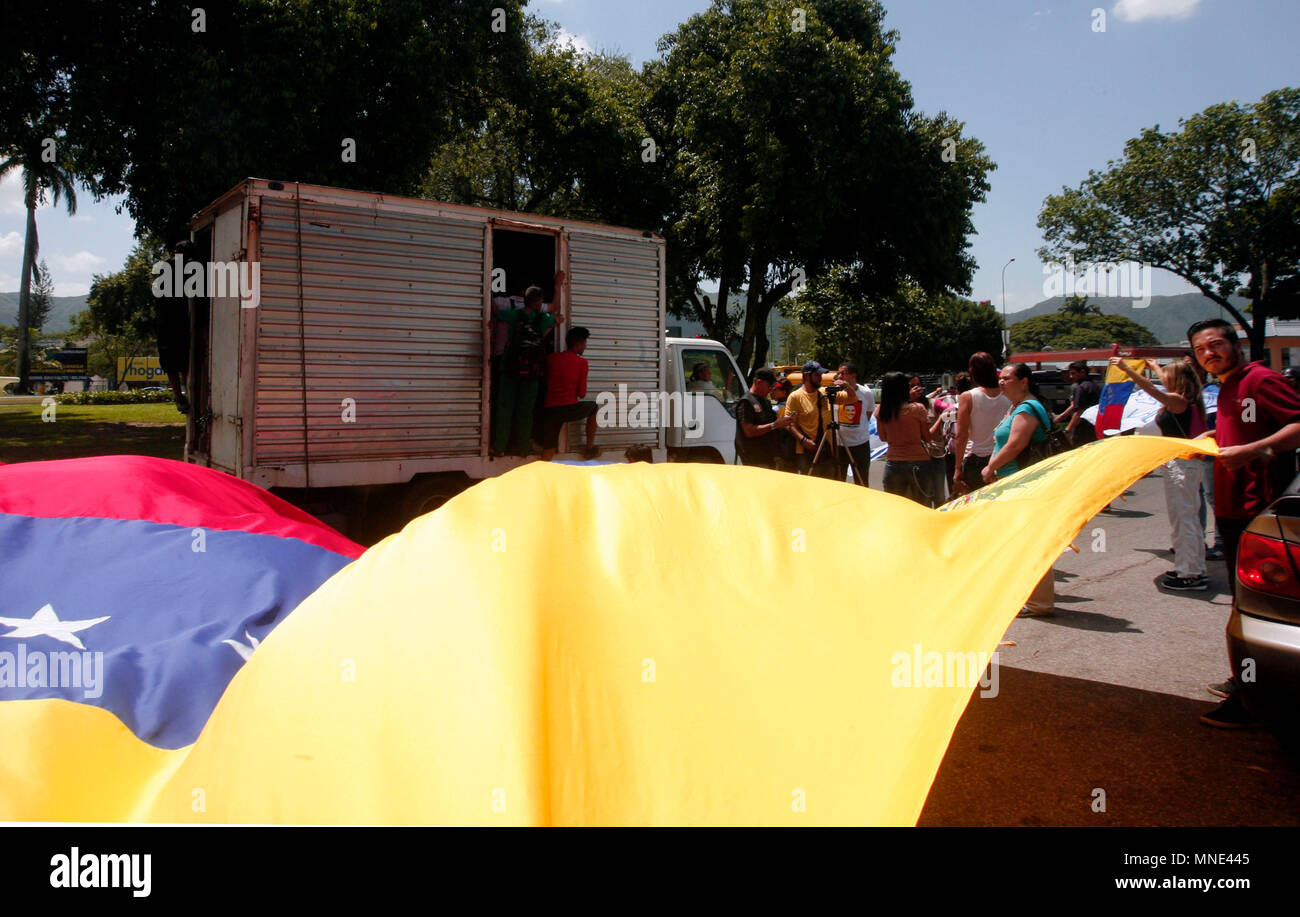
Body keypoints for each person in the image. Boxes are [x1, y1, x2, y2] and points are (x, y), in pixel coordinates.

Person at [1187, 318, 1300, 727]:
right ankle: (1247, 681)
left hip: (1259, 509)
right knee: (1242, 605)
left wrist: (1254, 451)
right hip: (1232, 511)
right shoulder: (1228, 384)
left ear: (1234, 345)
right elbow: (1244, 428)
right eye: (1201, 351)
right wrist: (1213, 438)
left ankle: (1254, 699)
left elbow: (1297, 424)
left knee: (1254, 611)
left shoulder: (1260, 379)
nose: (1208, 354)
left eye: (1215, 345)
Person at [1110, 356, 1209, 591]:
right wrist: (1153, 365)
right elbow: (1160, 382)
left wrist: (1127, 370)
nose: (1165, 379)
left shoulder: (1177, 401)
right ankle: (1193, 568)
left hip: (1181, 467)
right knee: (1188, 519)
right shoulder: (1192, 400)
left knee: (1184, 520)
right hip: (1186, 465)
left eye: (1168, 376)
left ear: (1177, 380)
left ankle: (1189, 573)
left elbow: (1153, 389)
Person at [983, 363, 1055, 616]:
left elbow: (1015, 444)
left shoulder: (1027, 407)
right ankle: (1027, 596)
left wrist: (990, 467)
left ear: (1024, 381)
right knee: (1018, 542)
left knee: (1029, 541)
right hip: (1013, 483)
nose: (1002, 382)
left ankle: (1039, 602)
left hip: (1024, 484)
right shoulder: (1016, 407)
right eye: (1000, 378)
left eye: (1007, 378)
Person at [491, 285, 556, 456]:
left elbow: (496, 312)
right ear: (539, 301)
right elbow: (554, 318)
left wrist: (488, 292)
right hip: (531, 373)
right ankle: (523, 448)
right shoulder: (544, 318)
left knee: (505, 409)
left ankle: (499, 447)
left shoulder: (514, 315)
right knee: (526, 412)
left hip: (510, 369)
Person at [951, 352, 1011, 495]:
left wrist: (957, 467)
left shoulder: (968, 397)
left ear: (972, 372)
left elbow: (961, 435)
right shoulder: (1008, 394)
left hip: (977, 460)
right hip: (1004, 458)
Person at [538, 326, 600, 461]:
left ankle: (541, 474)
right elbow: (582, 394)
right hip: (568, 408)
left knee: (549, 448)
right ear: (578, 344)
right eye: (584, 344)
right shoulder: (582, 363)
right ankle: (589, 448)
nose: (585, 347)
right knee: (594, 407)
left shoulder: (552, 358)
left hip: (550, 409)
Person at [875, 372, 935, 505]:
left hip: (894, 462)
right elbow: (927, 437)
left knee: (897, 508)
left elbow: (883, 437)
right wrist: (941, 420)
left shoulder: (881, 411)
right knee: (922, 506)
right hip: (918, 461)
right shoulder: (918, 409)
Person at [784, 361, 843, 478]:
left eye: (820, 375)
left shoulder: (823, 393)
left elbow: (852, 398)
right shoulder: (795, 396)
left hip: (827, 450)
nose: (820, 378)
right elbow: (789, 423)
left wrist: (847, 385)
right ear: (806, 376)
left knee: (830, 485)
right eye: (817, 375)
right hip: (807, 452)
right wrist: (803, 440)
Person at [736, 368, 794, 470]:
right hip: (754, 459)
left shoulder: (765, 402)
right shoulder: (746, 402)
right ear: (759, 382)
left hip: (768, 457)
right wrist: (774, 425)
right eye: (770, 386)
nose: (771, 390)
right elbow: (749, 431)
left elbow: (773, 423)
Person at [834, 363, 876, 486]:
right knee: (839, 481)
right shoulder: (835, 392)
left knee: (861, 480)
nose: (840, 376)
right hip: (839, 443)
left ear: (853, 375)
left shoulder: (866, 392)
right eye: (839, 373)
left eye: (843, 373)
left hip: (860, 443)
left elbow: (868, 413)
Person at [910, 374, 947, 505]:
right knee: (921, 498)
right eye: (911, 386)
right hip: (913, 459)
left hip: (935, 455)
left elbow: (949, 408)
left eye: (918, 385)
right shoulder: (902, 408)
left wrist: (945, 415)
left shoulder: (932, 403)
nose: (916, 388)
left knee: (939, 496)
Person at [1054, 360, 1101, 446]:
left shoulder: (1081, 388)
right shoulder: (1094, 385)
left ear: (1082, 372)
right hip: (1095, 426)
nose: (1071, 376)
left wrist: (1068, 429)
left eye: (1073, 373)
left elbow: (1079, 411)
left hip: (1084, 428)